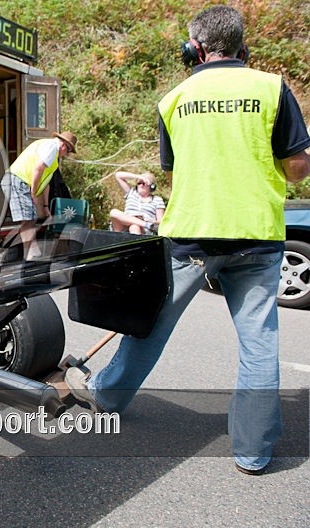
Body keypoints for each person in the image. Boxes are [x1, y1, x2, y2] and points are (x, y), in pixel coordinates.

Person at [66, 5, 310, 475]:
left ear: (193, 49)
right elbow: (297, 166)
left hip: (192, 237)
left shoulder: (174, 99)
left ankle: (108, 397)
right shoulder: (272, 88)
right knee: (259, 342)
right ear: (242, 45)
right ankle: (253, 452)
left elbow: (174, 172)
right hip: (256, 235)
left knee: (151, 323)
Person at [1, 131, 77, 259]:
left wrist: (46, 206)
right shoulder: (52, 147)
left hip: (20, 181)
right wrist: (33, 192)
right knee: (28, 219)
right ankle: (29, 255)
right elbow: (38, 168)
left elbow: (46, 183)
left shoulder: (53, 158)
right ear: (64, 145)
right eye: (68, 151)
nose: (66, 154)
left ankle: (32, 253)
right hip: (18, 179)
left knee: (30, 218)